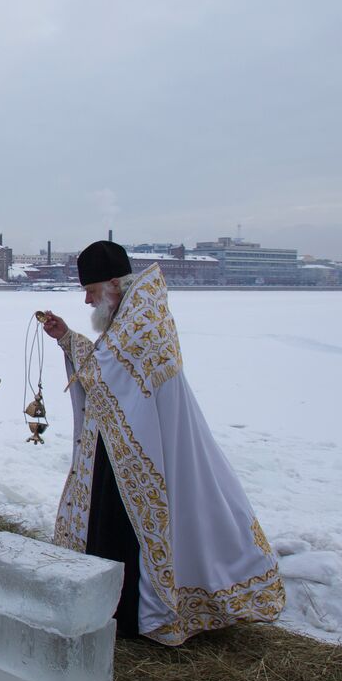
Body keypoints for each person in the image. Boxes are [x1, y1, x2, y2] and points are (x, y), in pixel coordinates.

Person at [40, 240, 284, 644]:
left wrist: (69, 340)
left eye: (91, 290)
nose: (87, 300)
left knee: (131, 525)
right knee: (110, 522)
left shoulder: (144, 319)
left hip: (146, 448)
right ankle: (111, 604)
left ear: (114, 283)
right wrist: (67, 337)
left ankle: (135, 612)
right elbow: (108, 364)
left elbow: (110, 371)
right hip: (124, 442)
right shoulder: (131, 312)